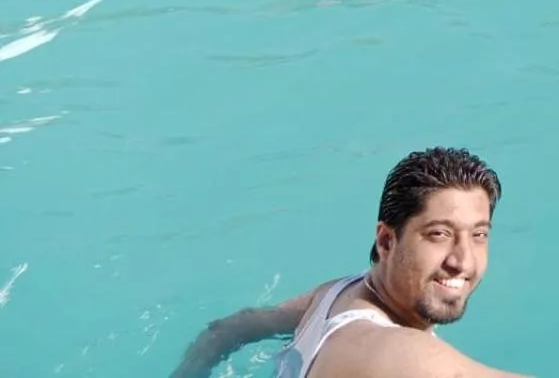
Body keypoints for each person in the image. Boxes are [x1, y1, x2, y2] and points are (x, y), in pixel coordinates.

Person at [170, 147, 533, 378]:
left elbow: (227, 330)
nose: (463, 260)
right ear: (387, 240)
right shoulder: (393, 351)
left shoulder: (335, 295)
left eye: (478, 235)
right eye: (439, 234)